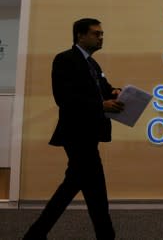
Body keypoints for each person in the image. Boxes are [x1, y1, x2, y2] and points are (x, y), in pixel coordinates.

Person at [24, 18, 124, 240]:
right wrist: (100, 105)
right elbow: (64, 98)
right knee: (95, 189)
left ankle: (35, 234)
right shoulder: (64, 60)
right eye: (96, 33)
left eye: (102, 33)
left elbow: (103, 90)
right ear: (80, 35)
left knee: (77, 186)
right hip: (76, 134)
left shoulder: (94, 65)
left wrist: (115, 93)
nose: (101, 37)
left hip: (90, 134)